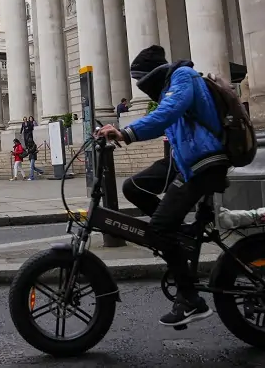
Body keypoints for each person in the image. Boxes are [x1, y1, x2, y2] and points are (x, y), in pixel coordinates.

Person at [99, 44, 230, 328]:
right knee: (133, 187)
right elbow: (164, 123)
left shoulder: (183, 76)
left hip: (205, 161)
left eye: (140, 81)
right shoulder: (171, 87)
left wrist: (126, 132)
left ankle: (190, 299)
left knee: (159, 227)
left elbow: (168, 113)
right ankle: (177, 237)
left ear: (152, 75)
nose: (141, 87)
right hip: (188, 160)